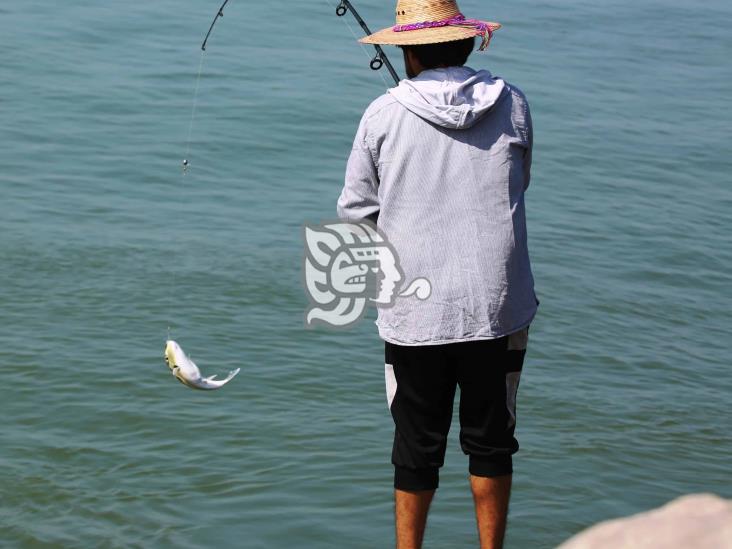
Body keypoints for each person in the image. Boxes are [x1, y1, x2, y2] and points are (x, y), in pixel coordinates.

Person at [336, 1, 539, 547]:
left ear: (408, 50)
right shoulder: (513, 103)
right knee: (493, 442)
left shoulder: (382, 115)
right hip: (495, 304)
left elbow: (355, 213)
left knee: (416, 448)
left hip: (416, 308)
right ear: (467, 43)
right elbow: (518, 181)